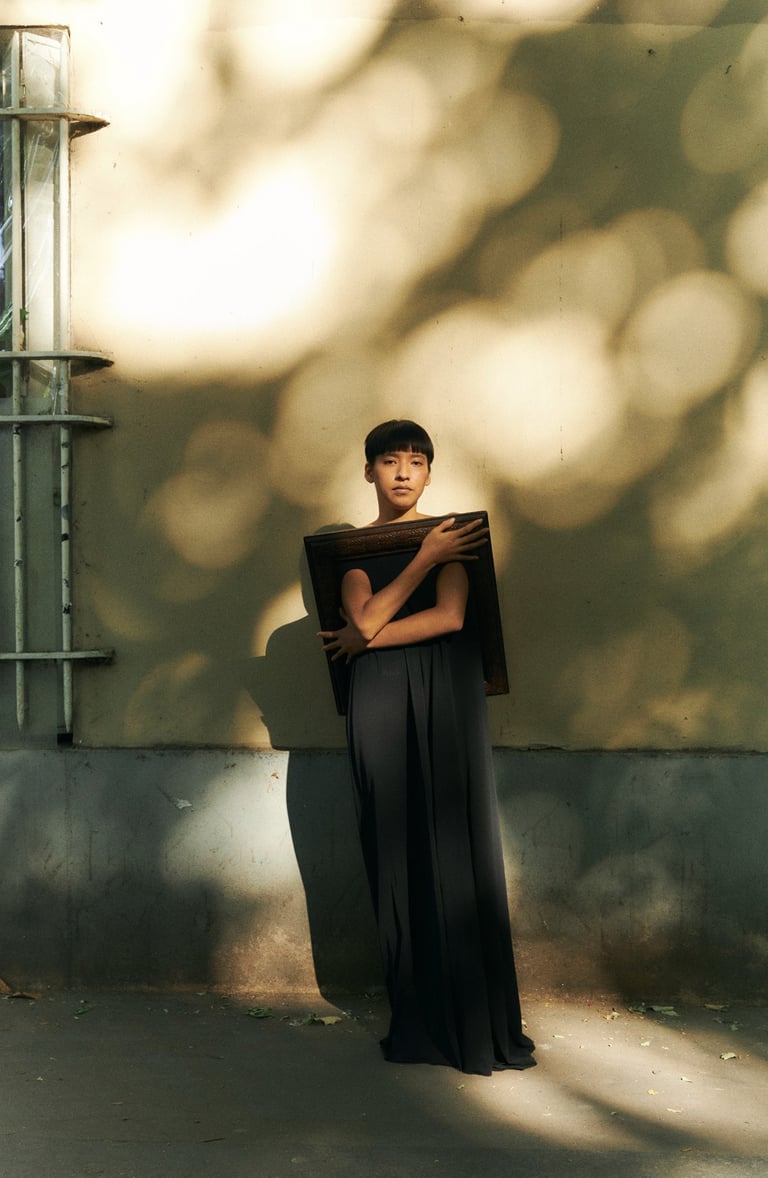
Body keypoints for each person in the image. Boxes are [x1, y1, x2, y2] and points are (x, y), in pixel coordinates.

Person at [318, 420, 535, 1076]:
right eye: (390, 461)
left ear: (431, 474)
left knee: (457, 848)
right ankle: (417, 1017)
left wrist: (362, 640)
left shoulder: (455, 539)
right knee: (397, 852)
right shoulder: (353, 551)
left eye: (416, 462)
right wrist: (420, 561)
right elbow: (362, 615)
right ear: (369, 472)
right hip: (380, 710)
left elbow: (449, 618)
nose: (404, 472)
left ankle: (473, 1021)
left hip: (447, 708)